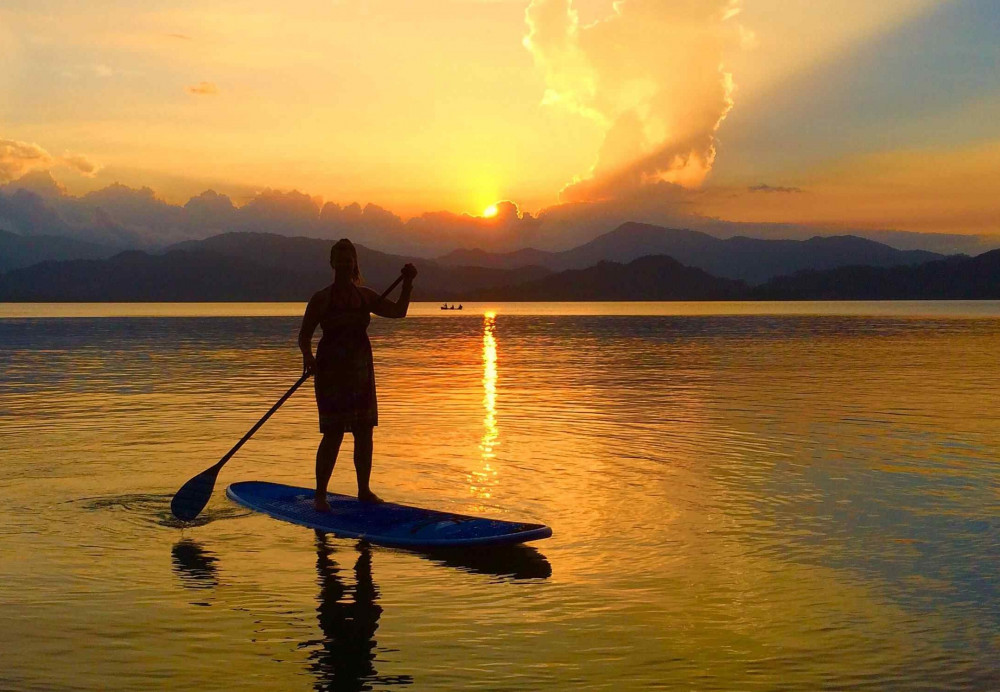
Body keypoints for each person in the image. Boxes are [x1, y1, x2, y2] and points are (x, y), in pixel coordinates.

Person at [298, 239, 416, 511]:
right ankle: (320, 495)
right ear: (331, 264)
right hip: (330, 373)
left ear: (354, 263)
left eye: (347, 260)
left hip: (360, 371)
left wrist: (407, 283)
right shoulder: (321, 299)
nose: (343, 265)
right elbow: (304, 336)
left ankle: (364, 490)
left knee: (364, 433)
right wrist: (308, 357)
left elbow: (398, 312)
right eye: (338, 261)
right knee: (333, 433)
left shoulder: (365, 297)